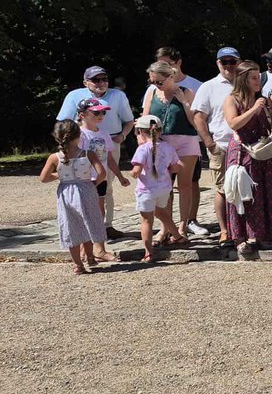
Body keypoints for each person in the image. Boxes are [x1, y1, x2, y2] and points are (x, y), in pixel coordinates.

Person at [56, 65, 135, 238]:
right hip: (81, 143)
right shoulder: (75, 96)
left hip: (109, 141)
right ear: (86, 82)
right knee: (83, 185)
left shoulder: (117, 95)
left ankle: (106, 226)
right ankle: (85, 226)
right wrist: (68, 145)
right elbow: (62, 123)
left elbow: (129, 121)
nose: (101, 83)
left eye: (104, 79)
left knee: (106, 186)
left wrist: (122, 136)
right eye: (95, 80)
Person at [222, 61, 272, 258]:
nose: (258, 81)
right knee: (242, 193)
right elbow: (233, 123)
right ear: (243, 79)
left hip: (262, 152)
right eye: (253, 77)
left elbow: (270, 128)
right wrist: (253, 110)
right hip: (242, 152)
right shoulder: (232, 100)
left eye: (258, 77)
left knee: (263, 193)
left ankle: (262, 234)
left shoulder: (263, 100)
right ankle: (240, 238)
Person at [144, 47, 207, 237]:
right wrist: (144, 138)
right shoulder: (152, 92)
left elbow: (195, 122)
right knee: (164, 185)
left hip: (186, 141)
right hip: (162, 143)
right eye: (153, 81)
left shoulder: (186, 91)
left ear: (170, 77)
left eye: (160, 81)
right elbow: (145, 118)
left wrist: (185, 103)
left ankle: (183, 225)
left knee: (185, 185)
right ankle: (165, 227)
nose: (157, 85)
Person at [41, 120, 108, 274]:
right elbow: (102, 173)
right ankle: (90, 257)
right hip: (86, 189)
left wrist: (60, 175)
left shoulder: (54, 157)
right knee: (88, 221)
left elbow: (43, 178)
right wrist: (93, 184)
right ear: (79, 136)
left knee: (72, 226)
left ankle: (78, 264)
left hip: (66, 191)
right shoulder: (87, 153)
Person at [193, 47, 241, 248]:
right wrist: (209, 143)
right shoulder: (209, 86)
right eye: (225, 62)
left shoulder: (246, 82)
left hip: (244, 144)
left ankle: (241, 228)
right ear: (218, 63)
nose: (229, 65)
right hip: (220, 143)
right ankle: (224, 230)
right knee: (222, 189)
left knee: (242, 187)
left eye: (232, 61)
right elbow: (199, 117)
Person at [77, 98, 127, 262]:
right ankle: (86, 248)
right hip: (84, 179)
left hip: (101, 178)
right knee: (84, 214)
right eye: (96, 112)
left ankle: (99, 249)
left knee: (99, 213)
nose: (101, 115)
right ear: (82, 115)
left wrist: (119, 176)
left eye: (102, 112)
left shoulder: (103, 133)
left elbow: (110, 158)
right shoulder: (78, 135)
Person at [129, 115, 186, 262]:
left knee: (147, 220)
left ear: (140, 132)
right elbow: (176, 167)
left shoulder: (142, 149)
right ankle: (178, 236)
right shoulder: (168, 147)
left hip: (146, 190)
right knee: (161, 212)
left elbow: (136, 170)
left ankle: (148, 252)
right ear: (160, 131)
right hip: (164, 188)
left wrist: (132, 174)